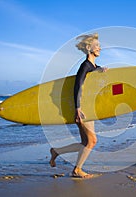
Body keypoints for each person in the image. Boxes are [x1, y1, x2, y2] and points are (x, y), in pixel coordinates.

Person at [49, 33, 106, 178]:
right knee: (92, 141)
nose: (100, 47)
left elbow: (92, 79)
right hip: (83, 108)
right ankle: (77, 170)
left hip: (88, 107)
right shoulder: (85, 65)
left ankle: (56, 151)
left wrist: (100, 70)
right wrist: (77, 109)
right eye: (97, 45)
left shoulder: (93, 66)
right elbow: (77, 87)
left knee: (85, 142)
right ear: (88, 48)